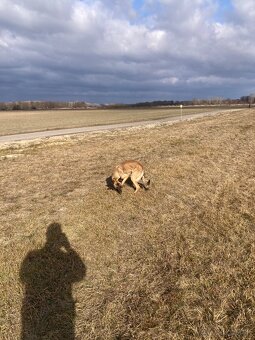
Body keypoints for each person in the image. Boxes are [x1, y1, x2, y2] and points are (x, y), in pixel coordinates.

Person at [20, 223, 86, 339]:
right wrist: (69, 248)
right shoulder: (34, 255)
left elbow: (23, 277)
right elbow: (80, 274)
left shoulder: (33, 255)